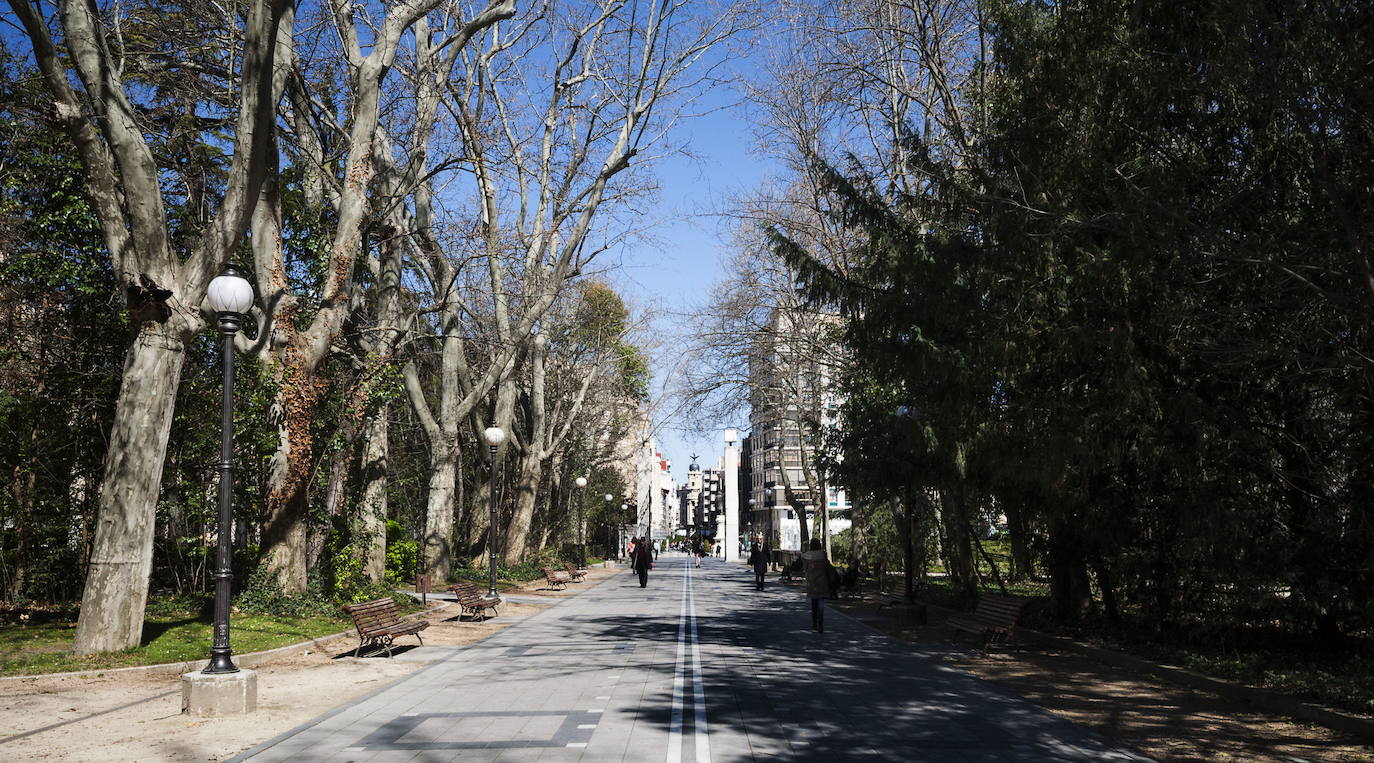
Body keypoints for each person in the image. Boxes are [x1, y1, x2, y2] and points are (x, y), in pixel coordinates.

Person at [802, 538, 838, 632]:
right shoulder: (823, 555)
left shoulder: (807, 556)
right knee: (821, 602)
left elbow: (805, 569)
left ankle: (814, 622)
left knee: (814, 603)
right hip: (822, 581)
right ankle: (821, 622)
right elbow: (827, 567)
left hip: (812, 582)